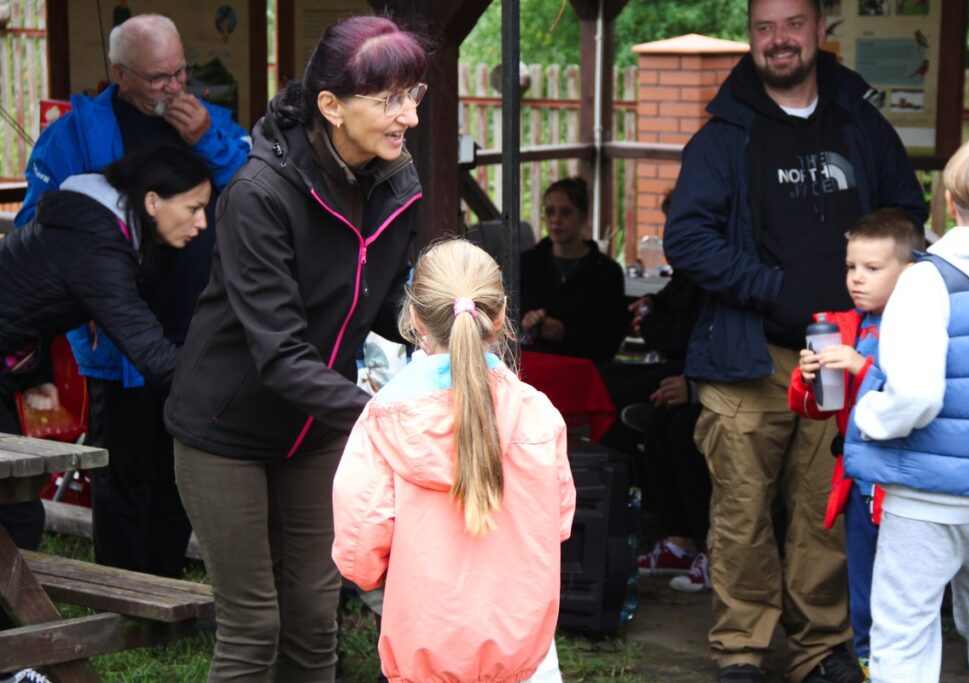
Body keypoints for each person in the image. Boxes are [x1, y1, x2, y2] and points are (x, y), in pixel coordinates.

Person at [662, 0, 928, 680]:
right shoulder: (724, 135)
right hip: (751, 355)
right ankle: (742, 649)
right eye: (764, 27)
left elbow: (908, 215)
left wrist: (874, 290)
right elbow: (687, 238)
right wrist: (772, 287)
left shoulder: (860, 122)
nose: (778, 40)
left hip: (843, 355)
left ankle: (821, 648)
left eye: (792, 24)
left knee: (824, 509)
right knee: (742, 513)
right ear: (752, 37)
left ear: (819, 29)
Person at [163, 16, 429, 680]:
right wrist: (384, 415)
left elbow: (389, 296)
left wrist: (443, 328)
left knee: (314, 620)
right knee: (254, 627)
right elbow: (279, 353)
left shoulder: (397, 177)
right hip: (225, 429)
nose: (410, 117)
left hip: (317, 427)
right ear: (332, 106)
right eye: (391, 99)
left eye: (415, 95)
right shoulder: (259, 193)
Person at [12, 13, 250, 578]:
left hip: (197, 323)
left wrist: (207, 140)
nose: (175, 87)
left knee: (183, 462)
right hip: (115, 331)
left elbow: (250, 190)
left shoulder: (208, 122)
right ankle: (123, 583)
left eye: (181, 72)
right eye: (158, 77)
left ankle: (165, 579)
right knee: (122, 466)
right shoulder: (72, 135)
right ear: (120, 74)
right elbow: (36, 229)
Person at [0, 144, 211, 683]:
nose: (201, 222)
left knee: (16, 515)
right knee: (17, 516)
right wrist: (228, 392)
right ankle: (15, 658)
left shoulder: (97, 226)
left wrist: (34, 371)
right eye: (192, 209)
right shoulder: (98, 250)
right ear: (151, 202)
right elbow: (151, 352)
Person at [332, 239, 576, 683]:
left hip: (424, 660)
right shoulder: (540, 416)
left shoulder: (381, 422)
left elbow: (359, 560)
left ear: (414, 320)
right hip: (525, 660)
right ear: (501, 316)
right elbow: (557, 525)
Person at [845, 131, 969, 682]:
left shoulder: (927, 281)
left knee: (903, 635)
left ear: (948, 201)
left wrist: (869, 419)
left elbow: (915, 394)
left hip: (921, 493)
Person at [787, 208, 923, 680]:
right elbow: (816, 408)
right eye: (850, 267)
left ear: (907, 274)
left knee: (905, 600)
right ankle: (869, 667)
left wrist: (861, 369)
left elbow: (915, 399)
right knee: (862, 595)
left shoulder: (922, 326)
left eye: (872, 268)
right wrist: (806, 380)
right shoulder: (844, 325)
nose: (856, 279)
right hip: (859, 489)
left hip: (906, 487)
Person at [520, 177, 629, 365]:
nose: (556, 219)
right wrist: (525, 323)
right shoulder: (527, 263)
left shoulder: (607, 272)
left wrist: (566, 333)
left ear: (584, 217)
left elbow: (611, 341)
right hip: (531, 368)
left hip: (583, 373)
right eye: (550, 211)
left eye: (566, 212)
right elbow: (504, 325)